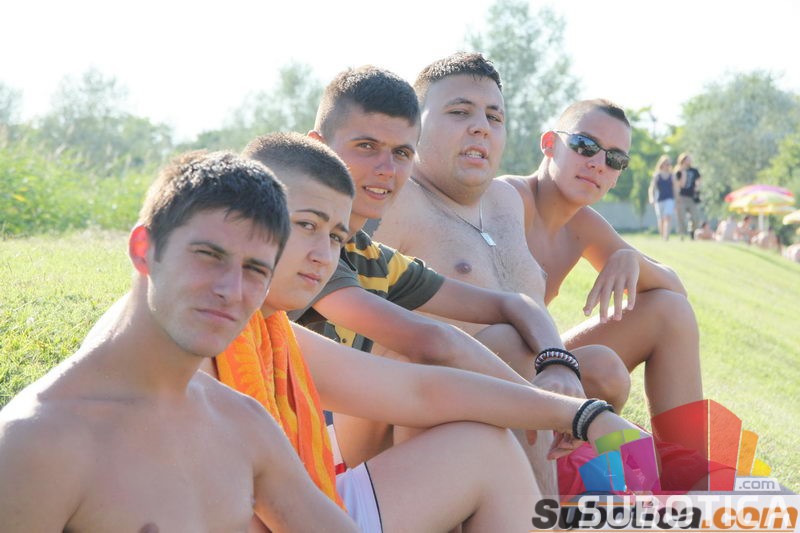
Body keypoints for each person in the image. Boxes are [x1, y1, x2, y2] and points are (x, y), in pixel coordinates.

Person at [210, 131, 644, 532]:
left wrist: (579, 414)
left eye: (336, 236)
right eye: (307, 225)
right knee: (419, 353)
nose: (324, 254)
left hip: (304, 497)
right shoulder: (201, 338)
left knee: (481, 443)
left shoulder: (273, 326)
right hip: (275, 510)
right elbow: (431, 350)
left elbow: (421, 389)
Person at [293, 65, 618, 494]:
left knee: (528, 368)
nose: (386, 168)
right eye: (366, 146)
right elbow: (434, 343)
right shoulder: (306, 249)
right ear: (319, 148)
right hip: (304, 456)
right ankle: (545, 511)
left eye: (401, 153)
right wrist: (562, 411)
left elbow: (514, 303)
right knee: (443, 360)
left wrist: (557, 362)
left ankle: (546, 505)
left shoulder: (373, 258)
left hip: (330, 432)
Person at [0, 151, 359, 532]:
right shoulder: (40, 441)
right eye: (208, 255)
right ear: (143, 249)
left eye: (255, 269)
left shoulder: (243, 423)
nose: (231, 290)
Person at [492, 99, 703, 421]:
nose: (598, 164)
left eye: (615, 159)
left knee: (670, 310)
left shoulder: (583, 225)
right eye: (585, 145)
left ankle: (684, 457)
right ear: (549, 144)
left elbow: (675, 290)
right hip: (476, 371)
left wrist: (631, 258)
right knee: (603, 367)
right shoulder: (506, 199)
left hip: (537, 366)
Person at [673, 152, 702, 240]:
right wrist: (683, 173)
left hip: (692, 197)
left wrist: (697, 186)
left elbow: (699, 180)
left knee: (695, 217)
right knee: (681, 218)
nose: (689, 161)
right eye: (687, 159)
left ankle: (692, 233)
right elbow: (680, 185)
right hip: (682, 197)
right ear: (683, 160)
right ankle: (682, 235)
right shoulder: (678, 172)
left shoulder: (694, 170)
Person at [648, 155, 676, 240]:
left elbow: (675, 189)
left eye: (669, 164)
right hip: (659, 200)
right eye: (666, 163)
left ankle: (666, 237)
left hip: (670, 199)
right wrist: (651, 198)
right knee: (661, 220)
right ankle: (663, 235)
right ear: (662, 164)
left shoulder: (672, 175)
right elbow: (652, 188)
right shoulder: (657, 175)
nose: (667, 165)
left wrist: (677, 200)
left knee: (667, 217)